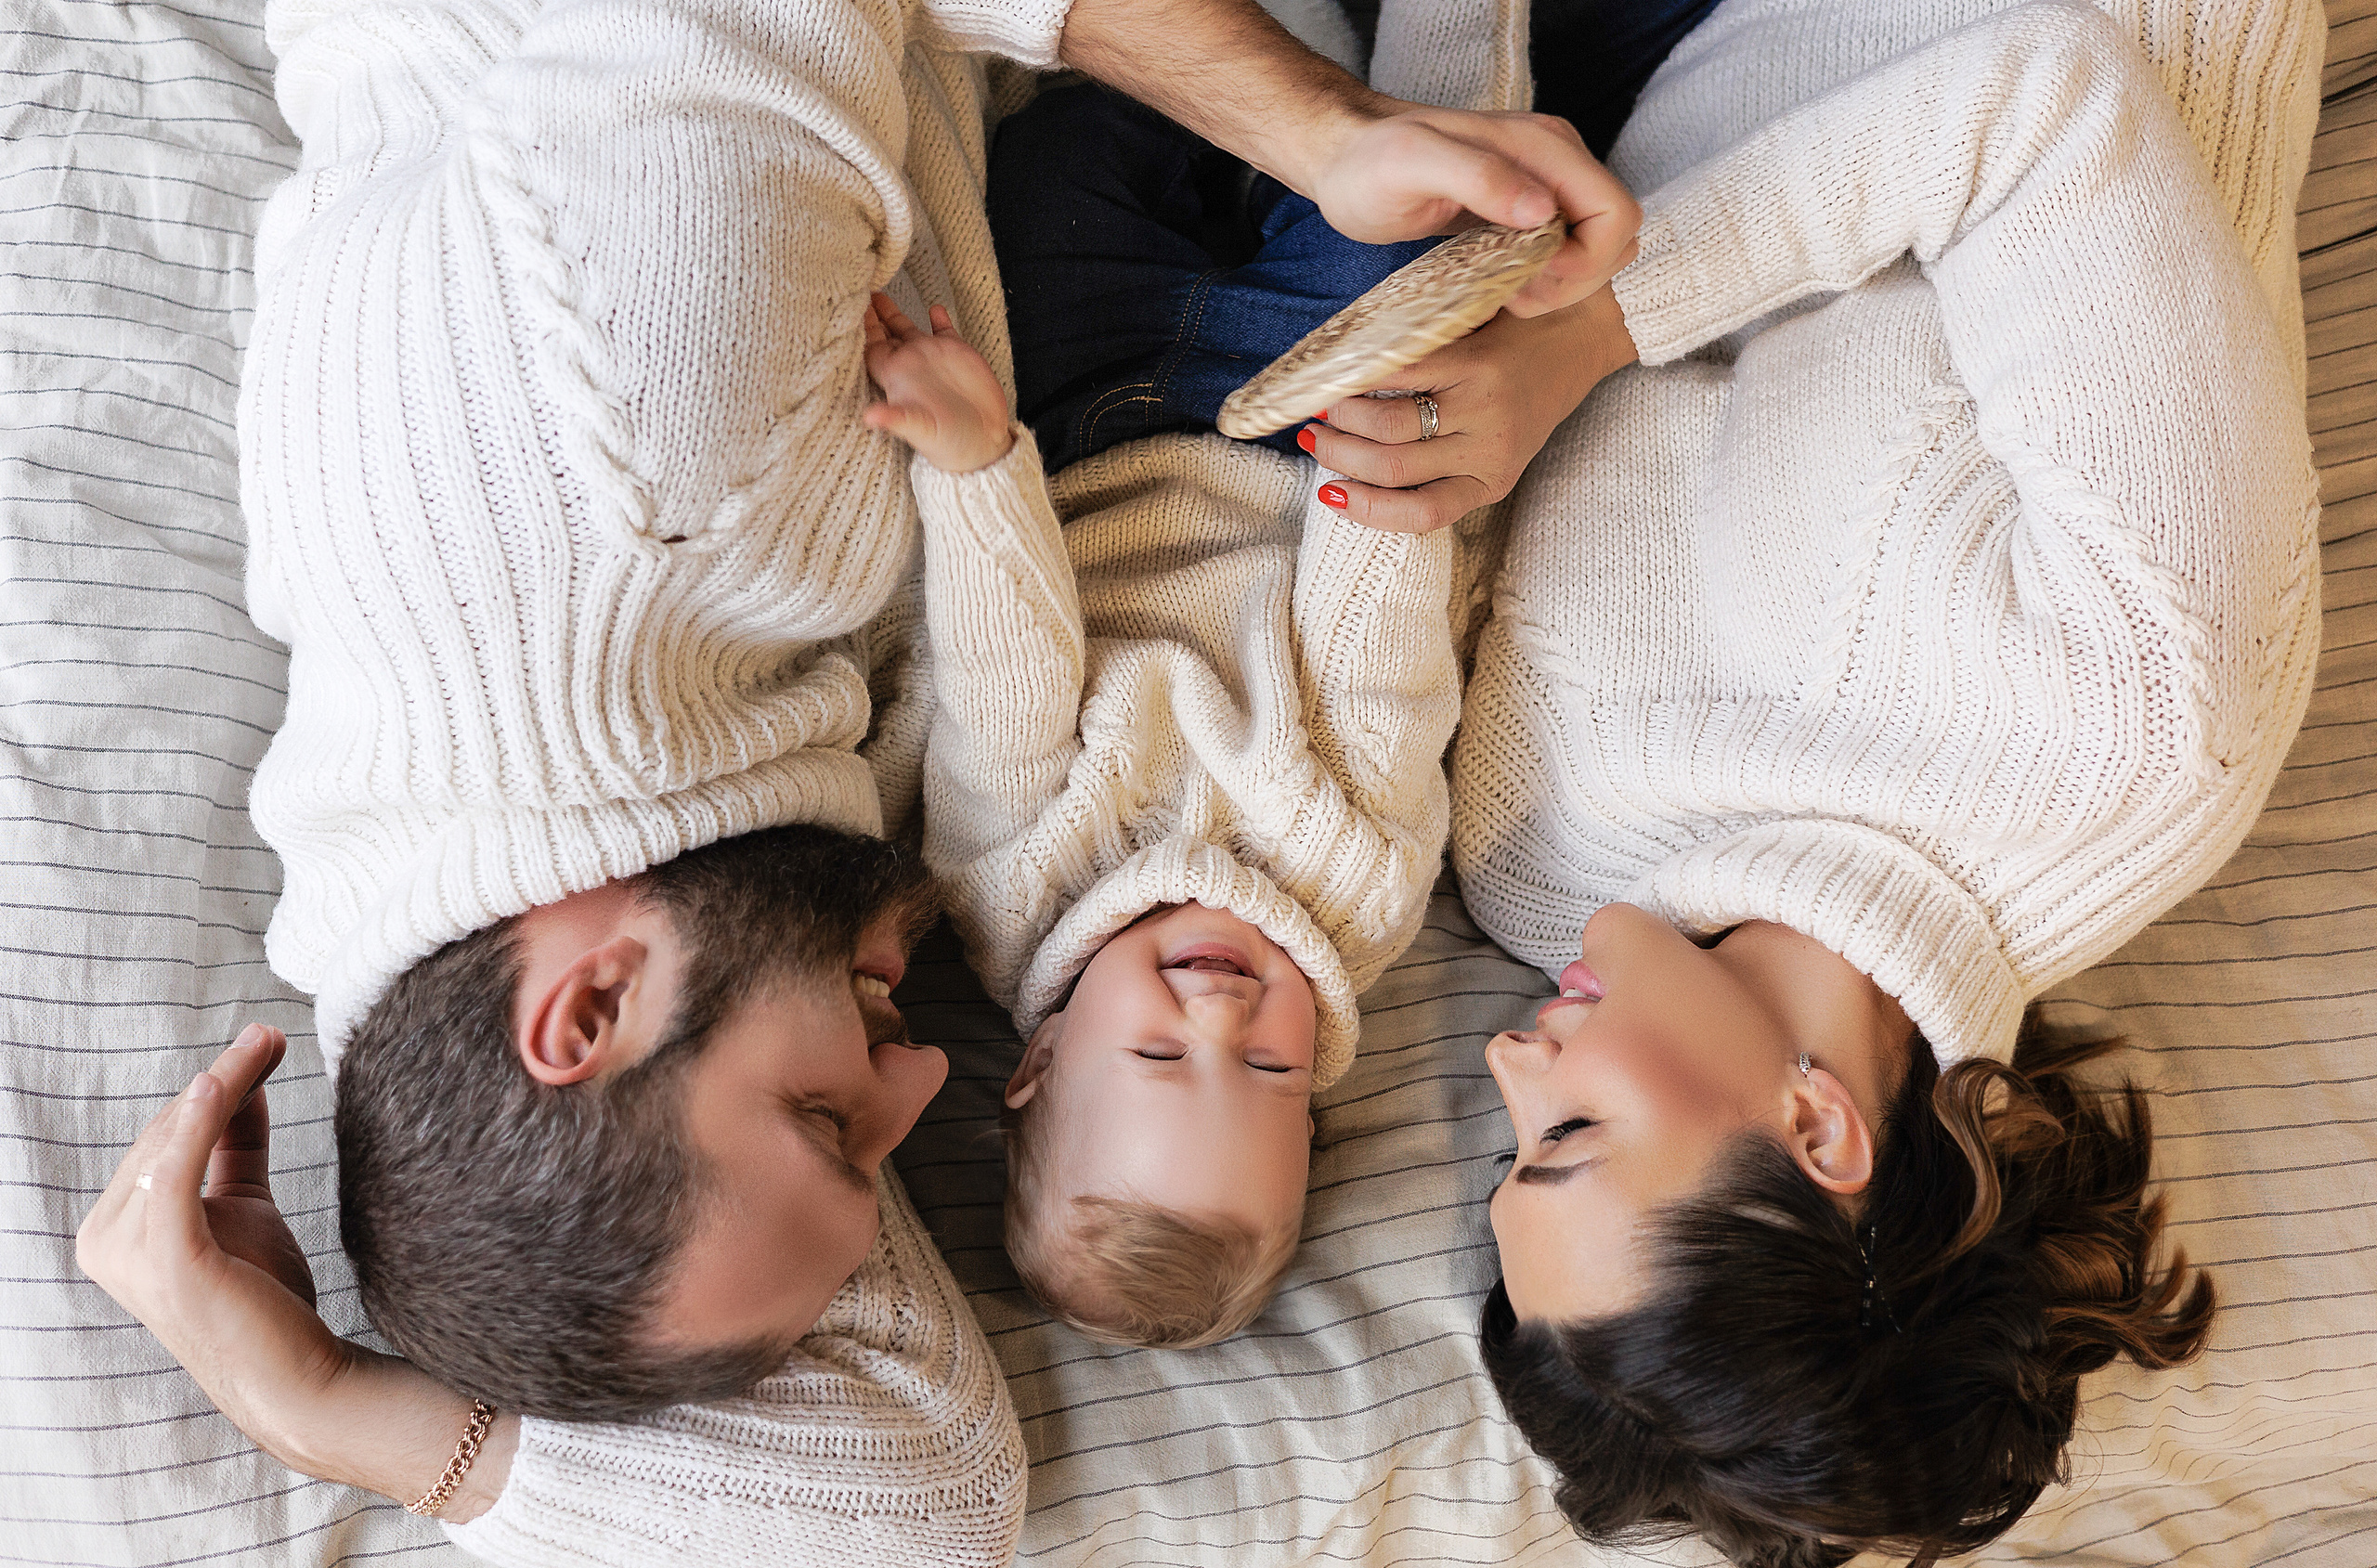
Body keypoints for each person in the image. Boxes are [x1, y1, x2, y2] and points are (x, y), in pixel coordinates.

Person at [77, 0, 1641, 1549]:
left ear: (592, 1007)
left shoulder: (656, 446)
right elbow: (920, 1518)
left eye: (830, 1117)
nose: (925, 1082)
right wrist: (326, 1408)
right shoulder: (479, 1022)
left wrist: (1313, 124)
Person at [1448, 4, 2321, 1563]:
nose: (1513, 1058)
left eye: (1507, 1145)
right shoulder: (2136, 723)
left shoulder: (1530, 855)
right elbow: (2042, 106)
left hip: (1615, 114)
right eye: (1565, 1129)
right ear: (1818, 1128)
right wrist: (1593, 332)